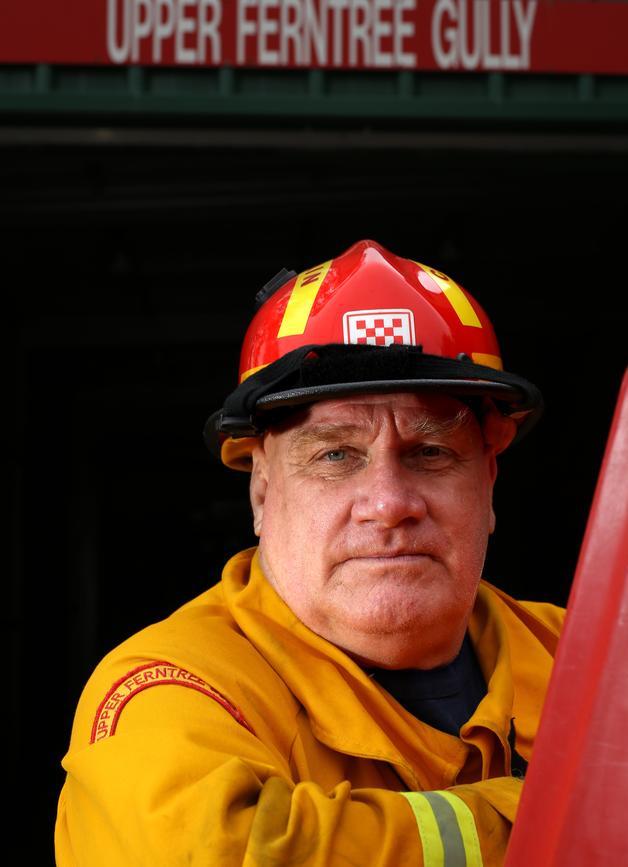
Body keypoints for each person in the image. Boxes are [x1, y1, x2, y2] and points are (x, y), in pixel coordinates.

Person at [55, 239, 565, 866]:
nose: (388, 501)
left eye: (431, 453)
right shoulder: (171, 688)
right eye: (336, 456)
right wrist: (551, 820)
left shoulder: (589, 655)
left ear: (488, 481)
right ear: (262, 492)